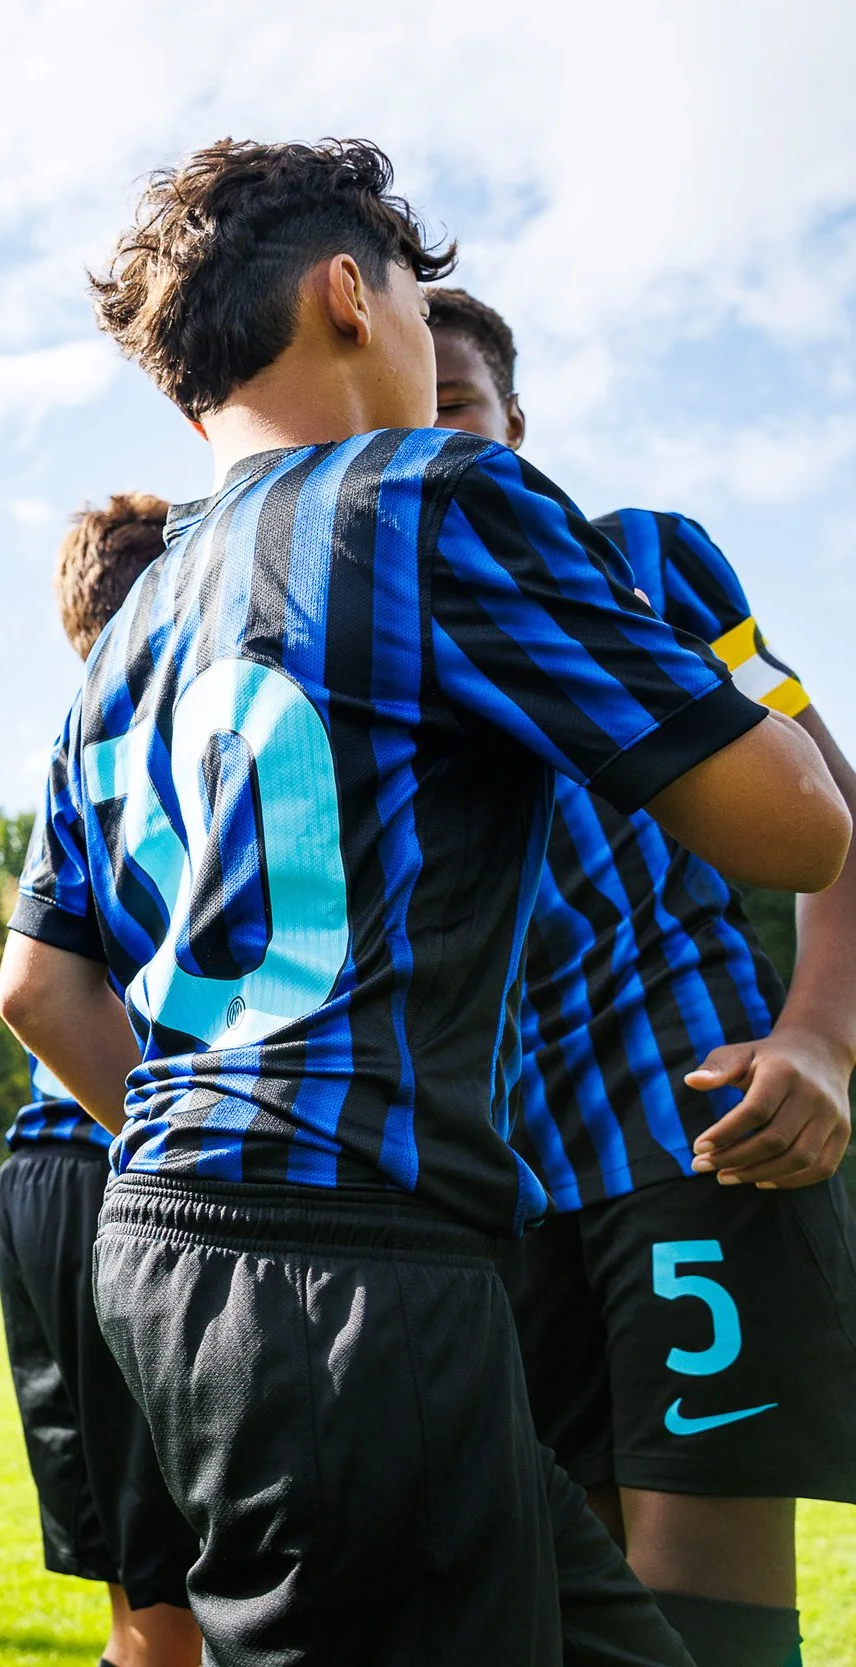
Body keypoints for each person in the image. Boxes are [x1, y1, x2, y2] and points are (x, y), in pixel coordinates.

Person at [0, 137, 849, 1665]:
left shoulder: (133, 626)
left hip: (169, 1242)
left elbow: (40, 989)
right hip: (358, 1255)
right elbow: (796, 823)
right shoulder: (425, 499)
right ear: (351, 293)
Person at [430, 283, 856, 1667]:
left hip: (694, 1132)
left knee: (703, 1618)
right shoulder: (363, 641)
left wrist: (822, 1036)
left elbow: (837, 821)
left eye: (461, 411)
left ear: (518, 424)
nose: (434, 444)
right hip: (501, 1194)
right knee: (570, 1606)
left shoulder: (651, 570)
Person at [0, 493, 199, 1667]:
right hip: (125, 1157)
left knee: (140, 1609)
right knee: (188, 1607)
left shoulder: (83, 733)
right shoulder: (197, 723)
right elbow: (33, 991)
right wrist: (186, 1149)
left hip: (40, 1174)